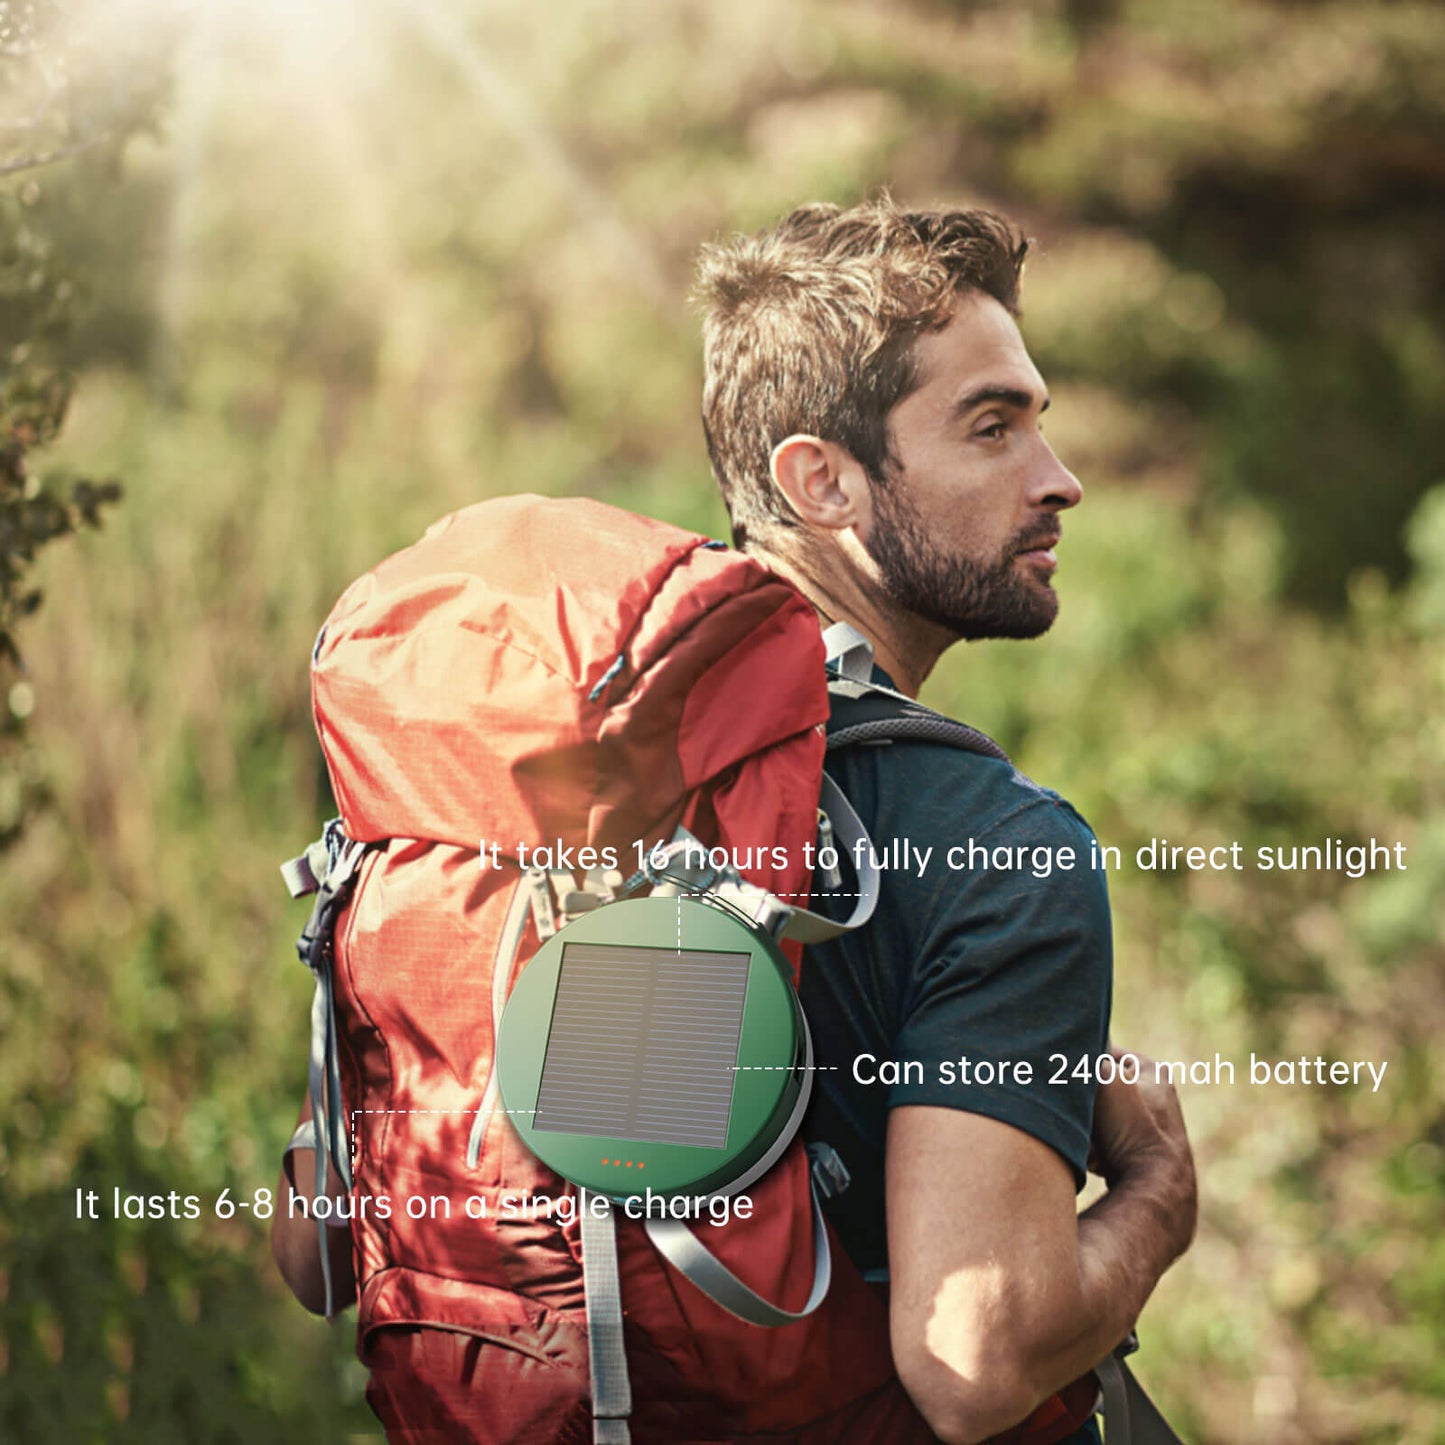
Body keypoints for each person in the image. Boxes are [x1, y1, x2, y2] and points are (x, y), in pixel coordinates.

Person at [692, 197, 1197, 1444]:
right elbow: (971, 1363)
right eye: (992, 427)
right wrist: (1153, 1198)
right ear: (821, 480)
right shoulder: (998, 844)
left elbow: (313, 1244)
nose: (1058, 479)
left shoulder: (558, 759)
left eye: (1041, 422)